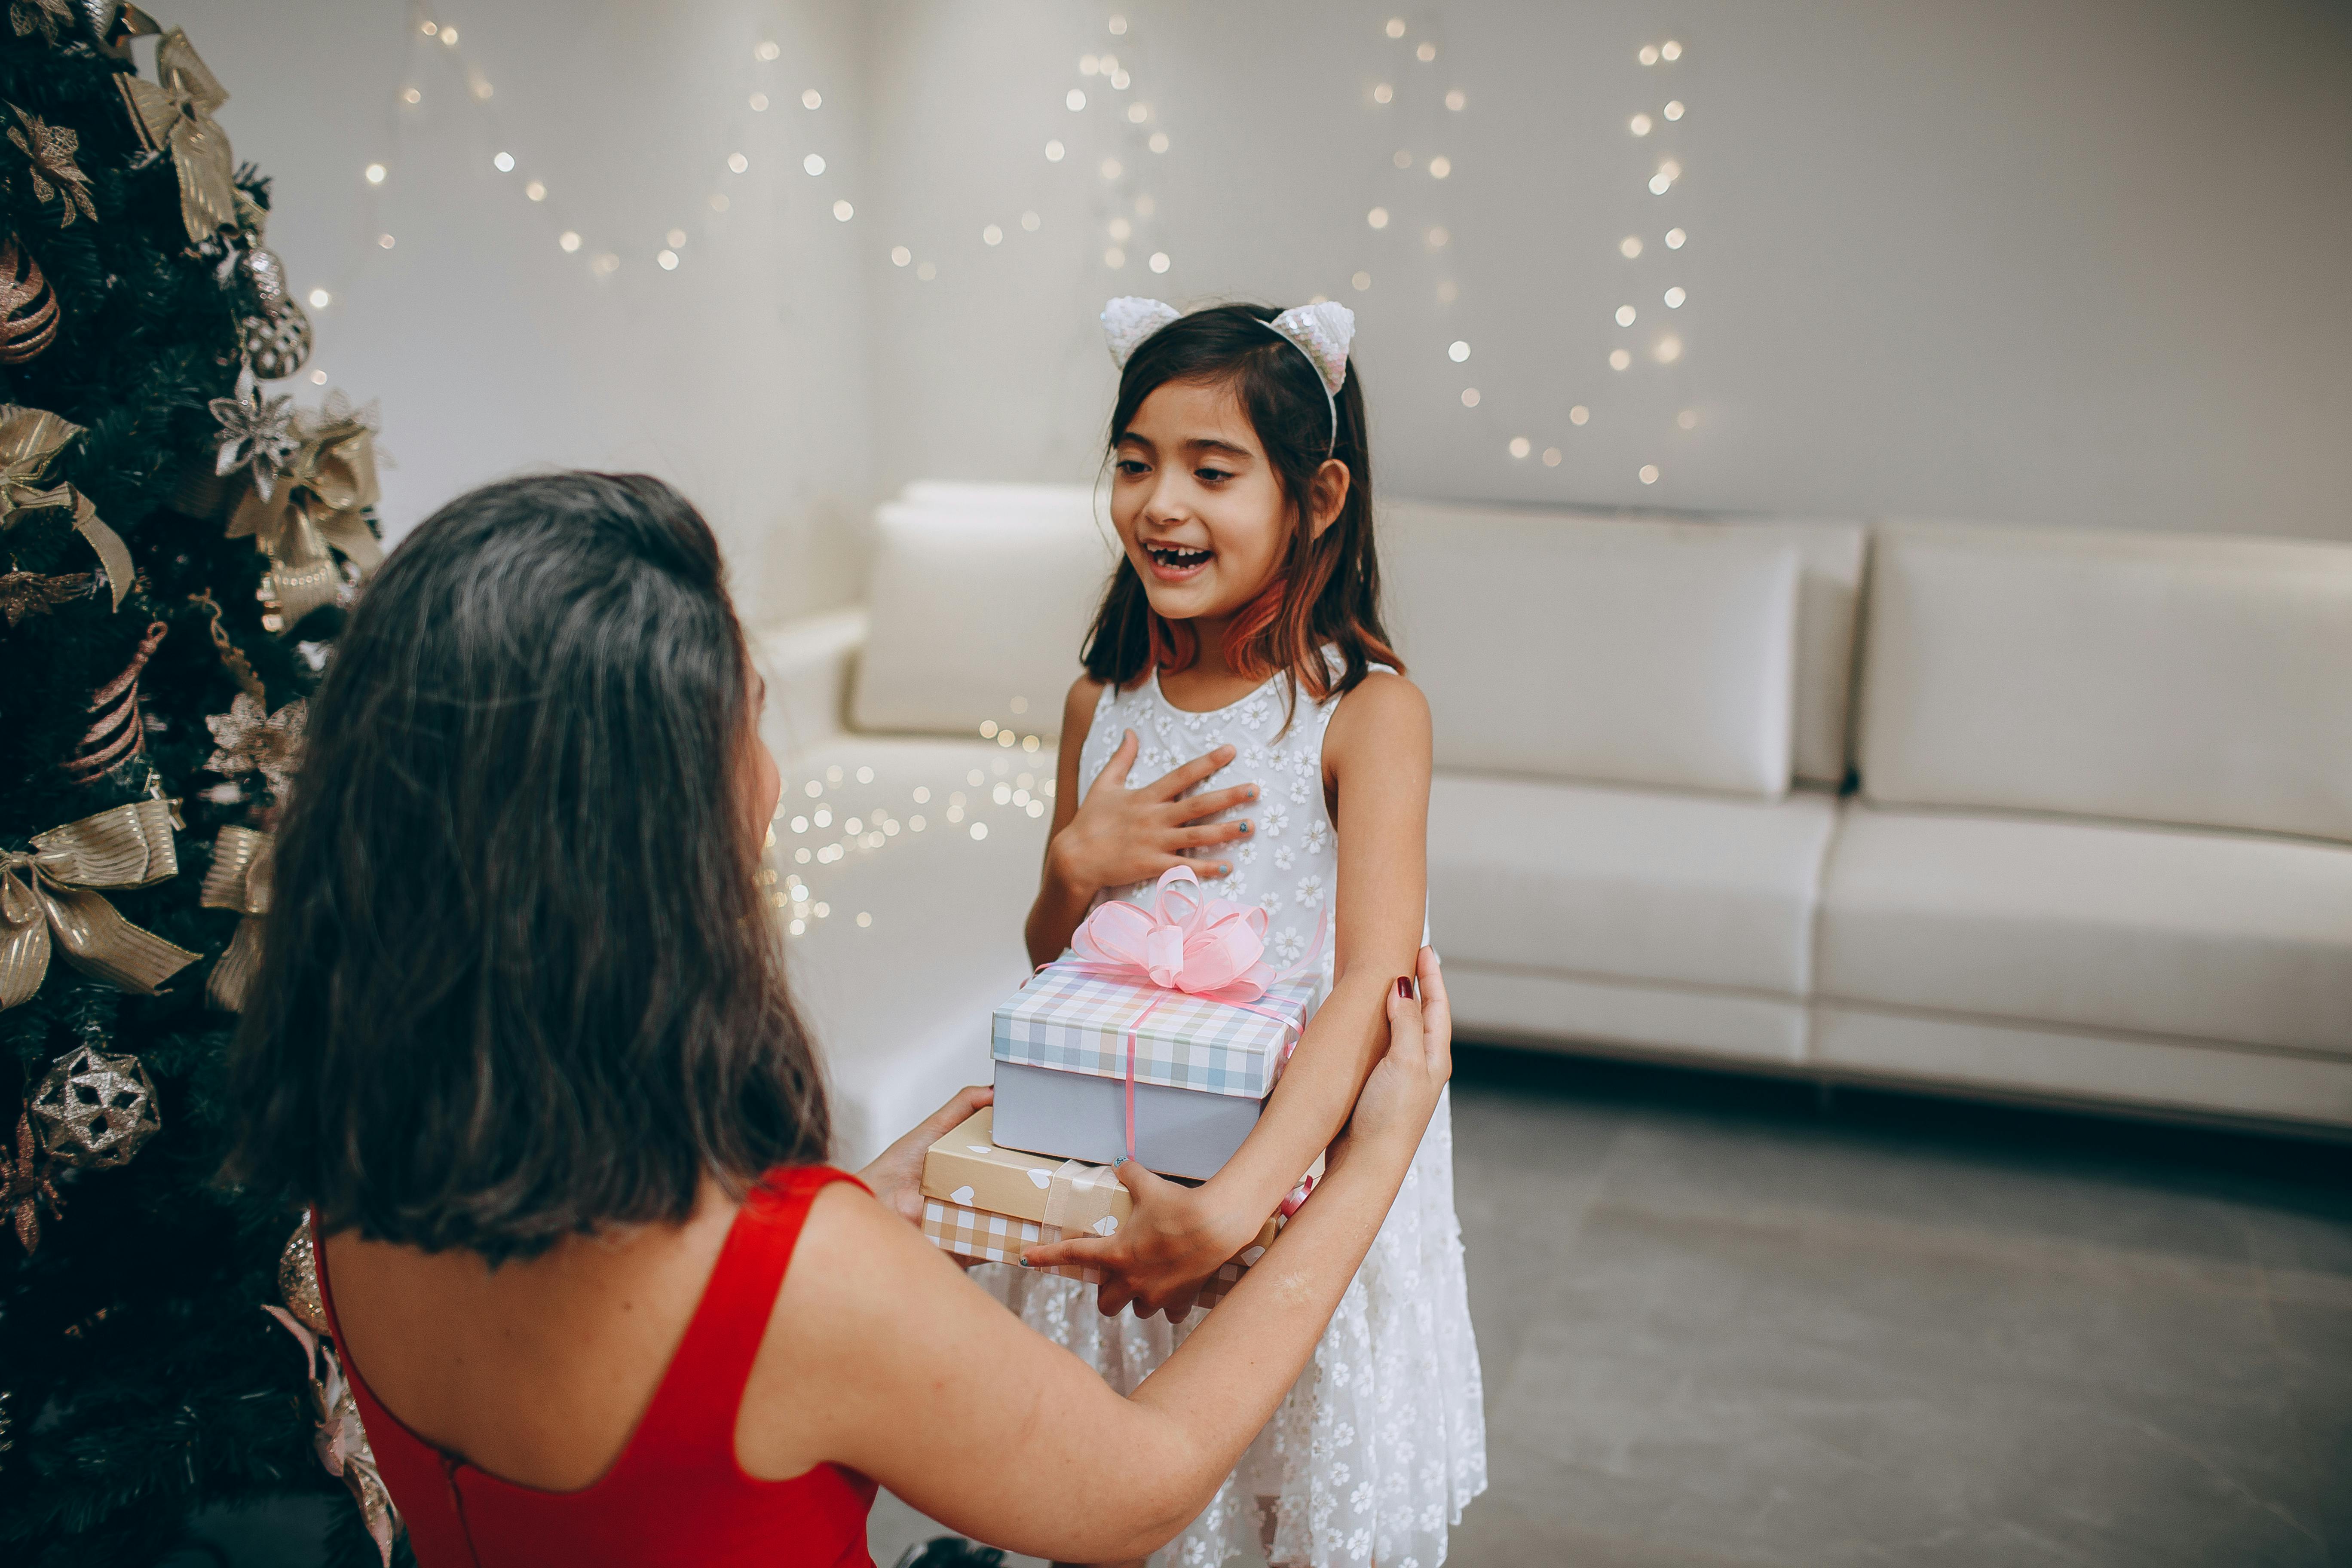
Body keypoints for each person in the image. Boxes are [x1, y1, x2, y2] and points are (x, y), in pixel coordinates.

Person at [224, 472, 1453, 1568]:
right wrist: (1374, 1159)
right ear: (652, 833)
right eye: (753, 718)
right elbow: (1142, 1492)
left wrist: (857, 1207)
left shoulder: (352, 1185)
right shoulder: (807, 1280)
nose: (772, 773)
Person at [1011, 301, 1486, 1568]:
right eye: (1134, 462)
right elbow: (1054, 962)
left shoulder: (1366, 716)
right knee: (1131, 1486)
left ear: (1317, 497)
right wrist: (1073, 870)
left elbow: (1367, 997)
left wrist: (1227, 1214)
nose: (1161, 504)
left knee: (1281, 1479)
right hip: (1138, 1159)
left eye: (1212, 471)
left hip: (1288, 1181)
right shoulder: (1098, 704)